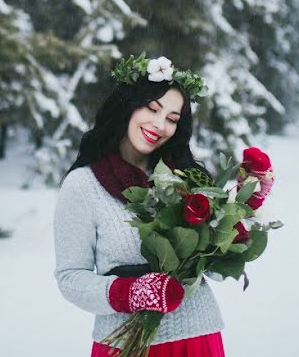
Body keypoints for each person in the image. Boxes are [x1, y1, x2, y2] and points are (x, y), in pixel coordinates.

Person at [54, 55, 226, 356]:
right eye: (152, 108)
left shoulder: (186, 177)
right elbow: (71, 277)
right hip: (125, 345)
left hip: (197, 339)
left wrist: (238, 225)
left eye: (172, 119)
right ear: (127, 106)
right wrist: (131, 293)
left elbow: (214, 271)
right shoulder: (83, 186)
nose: (160, 125)